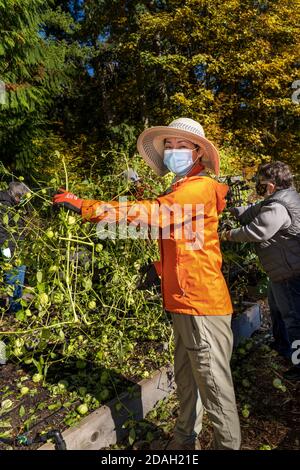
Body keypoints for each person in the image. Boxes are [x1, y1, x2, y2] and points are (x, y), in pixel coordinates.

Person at [53, 117, 241, 450]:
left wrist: (87, 207)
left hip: (201, 304)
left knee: (214, 388)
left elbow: (154, 215)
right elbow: (180, 238)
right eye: (168, 145)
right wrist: (159, 268)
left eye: (180, 145)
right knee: (188, 381)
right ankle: (184, 442)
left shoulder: (198, 188)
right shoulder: (182, 189)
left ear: (198, 152)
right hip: (184, 299)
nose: (172, 151)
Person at [221, 161, 300, 382]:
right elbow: (253, 210)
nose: (259, 187)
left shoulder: (278, 207)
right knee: (277, 310)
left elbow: (258, 231)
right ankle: (281, 345)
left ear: (272, 185)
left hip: (290, 274)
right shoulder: (281, 198)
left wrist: (228, 234)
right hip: (281, 272)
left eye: (261, 183)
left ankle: (298, 364)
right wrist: (229, 211)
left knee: (293, 320)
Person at [0, 181, 30, 312]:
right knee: (13, 277)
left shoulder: (14, 204)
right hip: (8, 246)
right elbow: (0, 229)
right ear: (15, 195)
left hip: (17, 245)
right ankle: (14, 309)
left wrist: (24, 205)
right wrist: (4, 248)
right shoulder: (3, 205)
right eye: (21, 197)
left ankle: (16, 305)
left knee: (20, 275)